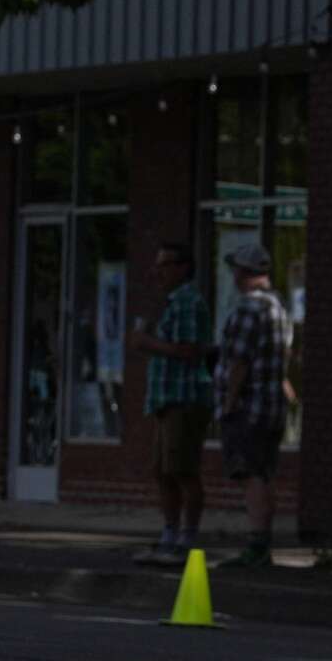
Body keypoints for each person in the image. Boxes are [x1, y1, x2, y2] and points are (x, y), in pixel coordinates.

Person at [128, 242, 213, 565]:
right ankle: (168, 533)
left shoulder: (189, 303)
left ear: (183, 267)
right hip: (164, 399)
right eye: (157, 264)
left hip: (185, 397)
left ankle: (187, 539)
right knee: (162, 471)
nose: (157, 272)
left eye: (164, 265)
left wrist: (146, 341)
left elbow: (190, 350)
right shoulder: (171, 303)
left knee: (182, 469)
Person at [214, 242, 294, 569]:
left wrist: (229, 403)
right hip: (273, 404)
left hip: (251, 406)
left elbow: (240, 363)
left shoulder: (249, 308)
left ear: (244, 272)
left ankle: (257, 545)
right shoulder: (278, 306)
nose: (233, 275)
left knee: (251, 474)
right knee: (264, 471)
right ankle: (262, 542)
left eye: (236, 269)